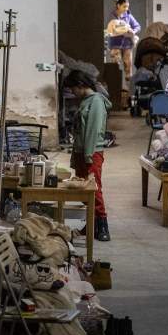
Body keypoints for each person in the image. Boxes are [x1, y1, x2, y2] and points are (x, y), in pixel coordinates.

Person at [64, 69, 111, 242]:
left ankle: (103, 226)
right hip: (82, 152)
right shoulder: (85, 101)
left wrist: (88, 156)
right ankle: (91, 225)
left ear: (81, 85)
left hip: (91, 152)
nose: (73, 93)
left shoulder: (96, 102)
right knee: (84, 191)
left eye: (73, 89)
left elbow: (92, 131)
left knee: (94, 188)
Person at [106, 0, 140, 108]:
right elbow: (112, 29)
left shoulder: (128, 15)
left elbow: (137, 26)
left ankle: (127, 99)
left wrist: (132, 32)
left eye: (127, 6)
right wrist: (122, 29)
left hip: (127, 46)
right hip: (115, 45)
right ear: (118, 6)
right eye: (124, 6)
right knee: (114, 69)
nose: (126, 8)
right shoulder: (112, 16)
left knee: (128, 71)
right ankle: (113, 98)